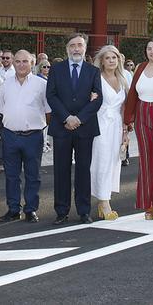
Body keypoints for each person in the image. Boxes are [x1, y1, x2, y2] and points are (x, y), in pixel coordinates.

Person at [47, 33, 103, 224]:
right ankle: (61, 211)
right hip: (62, 127)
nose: (76, 49)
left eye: (79, 45)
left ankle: (84, 210)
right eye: (72, 45)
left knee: (83, 170)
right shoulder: (56, 69)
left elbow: (98, 98)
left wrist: (79, 118)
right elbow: (51, 96)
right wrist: (67, 117)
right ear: (67, 49)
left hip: (84, 128)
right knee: (61, 170)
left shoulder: (93, 71)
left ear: (85, 48)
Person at [0, 50, 51, 222]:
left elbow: (48, 111)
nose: (21, 65)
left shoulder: (41, 84)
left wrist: (39, 126)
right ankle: (13, 209)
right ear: (13, 62)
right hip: (10, 136)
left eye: (25, 61)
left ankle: (30, 209)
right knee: (11, 175)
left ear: (32, 63)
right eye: (18, 61)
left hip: (33, 136)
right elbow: (1, 109)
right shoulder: (5, 84)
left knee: (32, 175)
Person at [123, 38, 153, 220]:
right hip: (143, 113)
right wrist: (128, 119)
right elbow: (133, 94)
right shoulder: (140, 67)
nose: (152, 52)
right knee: (145, 160)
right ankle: (149, 203)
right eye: (149, 49)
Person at [90, 45, 128, 221]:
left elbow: (124, 108)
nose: (111, 61)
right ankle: (104, 202)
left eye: (114, 57)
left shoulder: (123, 78)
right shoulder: (96, 78)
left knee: (113, 162)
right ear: (102, 61)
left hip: (117, 126)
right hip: (100, 124)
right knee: (101, 161)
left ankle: (104, 199)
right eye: (108, 58)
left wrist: (125, 131)